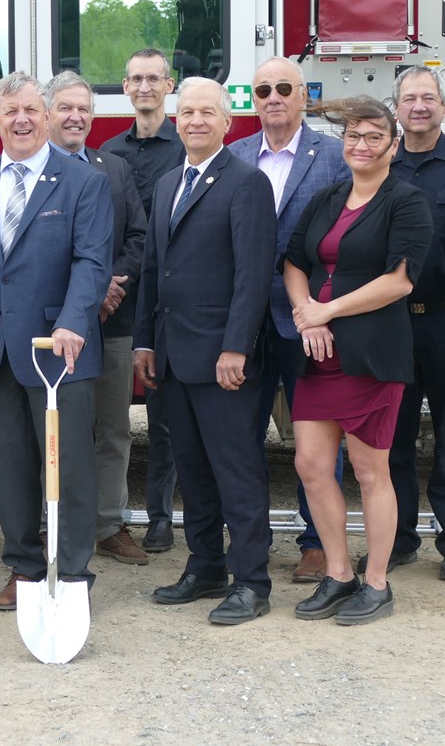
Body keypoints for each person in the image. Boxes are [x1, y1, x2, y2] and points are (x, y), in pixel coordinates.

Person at [0, 71, 113, 611]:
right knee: (8, 467)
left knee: (71, 467)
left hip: (59, 352)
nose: (21, 119)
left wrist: (72, 322)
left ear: (47, 116)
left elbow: (92, 260)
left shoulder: (84, 182)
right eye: (10, 111)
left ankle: (74, 570)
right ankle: (24, 567)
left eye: (31, 110)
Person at [282, 96, 432, 626]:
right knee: (312, 465)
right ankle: (339, 574)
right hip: (318, 354)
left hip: (371, 354)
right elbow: (294, 261)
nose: (360, 146)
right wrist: (308, 314)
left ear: (393, 145)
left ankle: (376, 582)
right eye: (352, 136)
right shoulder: (327, 196)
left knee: (371, 471)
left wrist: (330, 309)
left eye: (372, 137)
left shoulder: (406, 201)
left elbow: (400, 280)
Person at [133, 77, 278, 625]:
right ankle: (206, 564)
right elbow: (153, 270)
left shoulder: (246, 183)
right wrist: (146, 340)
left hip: (224, 361)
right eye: (186, 112)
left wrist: (236, 347)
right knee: (191, 469)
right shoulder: (169, 182)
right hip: (173, 357)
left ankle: (252, 580)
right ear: (176, 121)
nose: (195, 121)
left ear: (227, 123)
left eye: (206, 113)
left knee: (235, 470)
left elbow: (252, 273)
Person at [227, 56, 351, 584]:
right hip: (245, 325)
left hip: (310, 321)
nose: (272, 98)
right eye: (262, 91)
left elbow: (348, 239)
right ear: (251, 101)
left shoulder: (334, 156)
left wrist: (323, 310)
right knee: (241, 437)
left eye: (283, 88)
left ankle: (317, 543)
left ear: (303, 94)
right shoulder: (232, 157)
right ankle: (248, 540)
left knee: (316, 440)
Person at [372, 67, 445, 581]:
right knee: (388, 436)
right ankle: (397, 539)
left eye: (428, 98)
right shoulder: (376, 166)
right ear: (396, 107)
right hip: (389, 323)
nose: (419, 106)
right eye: (409, 98)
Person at [43, 71, 149, 565]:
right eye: (65, 107)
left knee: (113, 428)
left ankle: (109, 524)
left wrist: (109, 286)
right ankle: (54, 525)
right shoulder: (31, 169)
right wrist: (81, 297)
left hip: (113, 321)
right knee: (53, 429)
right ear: (47, 113)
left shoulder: (115, 168)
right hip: (51, 326)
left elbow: (138, 238)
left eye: (83, 108)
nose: (75, 117)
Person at [100, 48, 182, 553]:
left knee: (166, 415)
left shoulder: (188, 146)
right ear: (125, 88)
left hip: (174, 298)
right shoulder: (109, 152)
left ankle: (160, 517)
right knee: (119, 419)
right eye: (136, 79)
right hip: (126, 300)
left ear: (168, 85)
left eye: (154, 78)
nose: (145, 86)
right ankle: (108, 518)